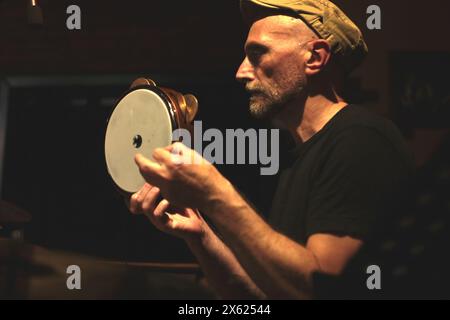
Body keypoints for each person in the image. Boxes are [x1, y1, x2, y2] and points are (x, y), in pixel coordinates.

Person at [128, 0, 413, 299]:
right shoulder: (294, 160)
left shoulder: (361, 140)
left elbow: (326, 289)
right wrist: (200, 235)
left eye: (257, 54)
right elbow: (266, 297)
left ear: (315, 57)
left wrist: (216, 194)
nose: (240, 72)